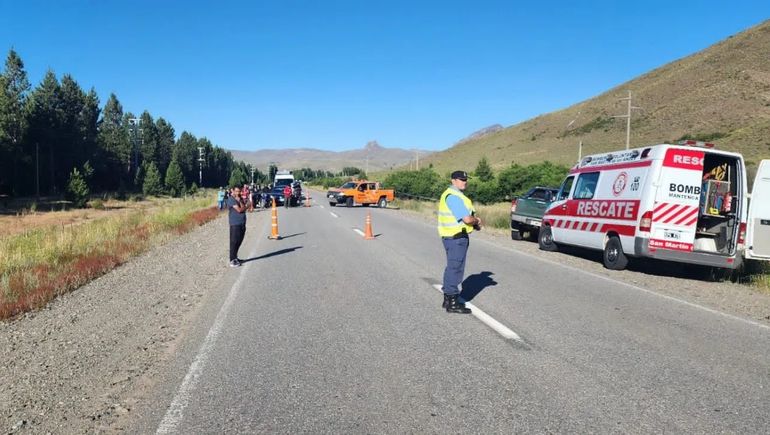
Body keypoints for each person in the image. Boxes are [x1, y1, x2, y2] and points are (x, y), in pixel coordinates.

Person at [437, 170, 482, 314]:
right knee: (455, 268)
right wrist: (476, 221)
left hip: (452, 236)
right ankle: (452, 302)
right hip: (456, 238)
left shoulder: (454, 195)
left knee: (452, 267)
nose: (464, 182)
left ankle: (447, 299)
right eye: (461, 179)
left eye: (465, 179)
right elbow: (467, 219)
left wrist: (473, 223)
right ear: (453, 181)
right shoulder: (454, 197)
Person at [226, 185, 251, 267]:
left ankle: (235, 257)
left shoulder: (240, 198)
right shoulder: (231, 199)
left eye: (239, 191)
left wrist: (243, 202)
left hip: (242, 222)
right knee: (234, 242)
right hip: (235, 223)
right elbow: (239, 210)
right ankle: (232, 260)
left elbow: (245, 205)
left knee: (239, 241)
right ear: (232, 191)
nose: (238, 193)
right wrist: (246, 206)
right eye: (236, 191)